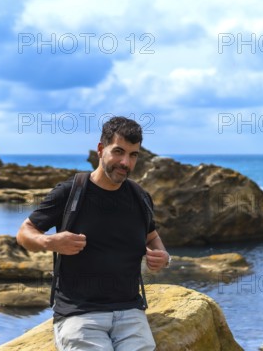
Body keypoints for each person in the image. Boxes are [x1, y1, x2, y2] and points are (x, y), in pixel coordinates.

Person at [16, 116, 170, 351]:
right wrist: (51, 242)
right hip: (79, 313)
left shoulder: (140, 196)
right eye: (118, 152)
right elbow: (24, 233)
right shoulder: (70, 192)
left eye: (133, 155)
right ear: (101, 149)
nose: (125, 163)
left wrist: (163, 256)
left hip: (130, 312)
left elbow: (152, 237)